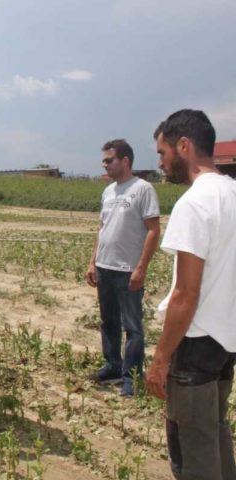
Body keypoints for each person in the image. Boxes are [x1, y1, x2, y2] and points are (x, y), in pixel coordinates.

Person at [147, 109, 236, 479]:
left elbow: (185, 293)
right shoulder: (233, 192)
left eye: (163, 153)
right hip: (227, 340)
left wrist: (161, 359)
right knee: (215, 429)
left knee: (192, 448)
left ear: (184, 146)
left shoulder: (195, 203)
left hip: (197, 342)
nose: (162, 163)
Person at [85, 139, 160, 396]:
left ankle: (131, 377)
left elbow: (153, 231)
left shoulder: (142, 189)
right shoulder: (108, 191)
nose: (104, 164)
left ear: (125, 161)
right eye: (104, 160)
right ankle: (113, 366)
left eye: (109, 160)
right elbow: (103, 229)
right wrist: (93, 261)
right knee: (108, 322)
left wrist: (141, 268)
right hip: (105, 267)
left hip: (128, 269)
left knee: (133, 327)